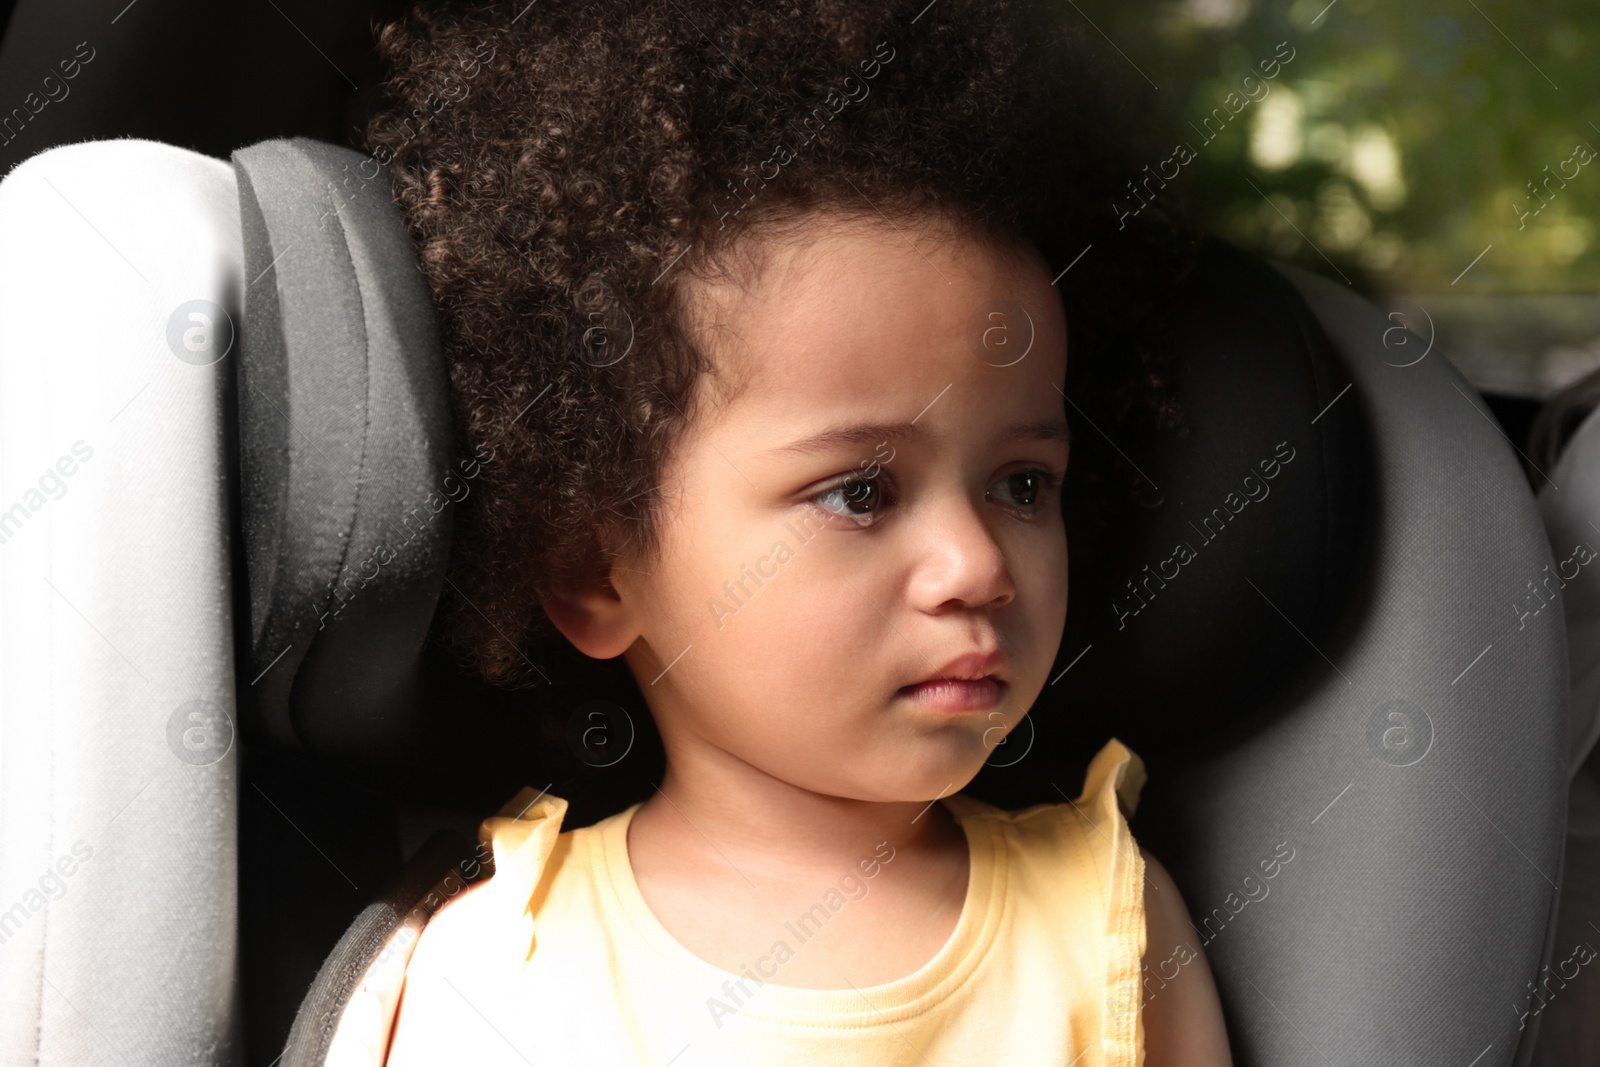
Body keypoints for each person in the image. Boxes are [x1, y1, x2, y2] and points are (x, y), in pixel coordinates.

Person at [336, 0, 1232, 1062]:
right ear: (595, 570)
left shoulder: (1108, 929)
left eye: (1022, 483)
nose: (978, 565)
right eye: (860, 492)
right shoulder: (498, 963)